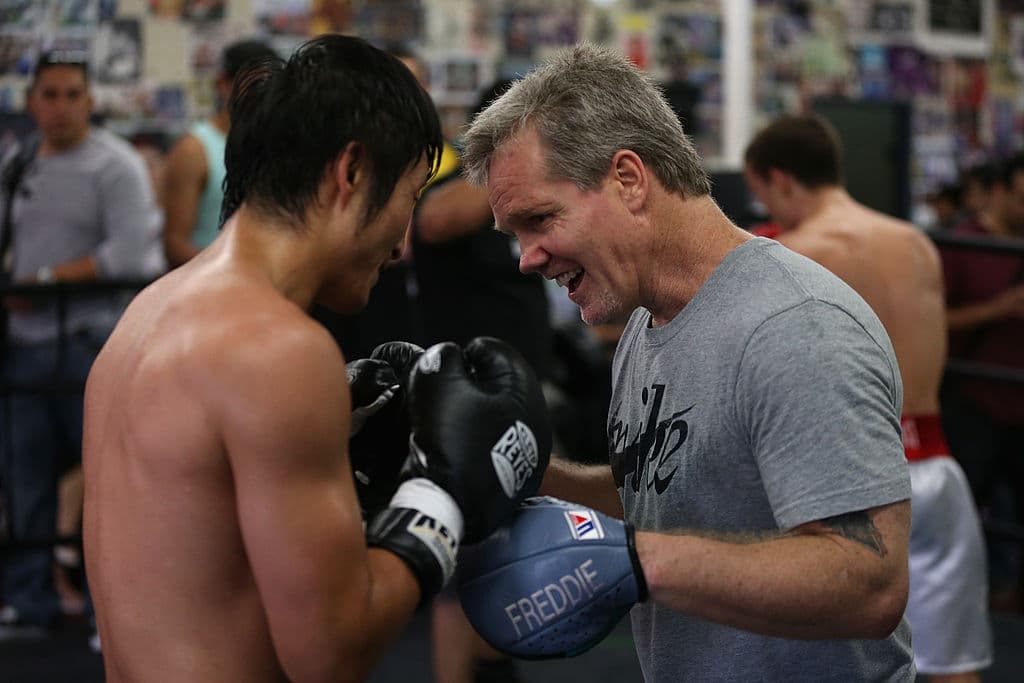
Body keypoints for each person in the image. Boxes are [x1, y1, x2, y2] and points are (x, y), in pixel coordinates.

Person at [82, 34, 551, 682]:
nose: (397, 244)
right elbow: (331, 649)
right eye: (406, 200)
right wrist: (442, 493)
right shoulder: (277, 351)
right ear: (351, 172)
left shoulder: (149, 314)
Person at [461, 44, 914, 681]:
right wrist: (517, 473)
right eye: (516, 235)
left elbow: (871, 581)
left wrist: (642, 563)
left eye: (540, 220)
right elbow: (663, 495)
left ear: (628, 179)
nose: (527, 258)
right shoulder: (648, 322)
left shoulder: (793, 326)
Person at [743, 113, 993, 682]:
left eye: (763, 196)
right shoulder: (916, 243)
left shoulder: (789, 253)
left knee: (834, 663)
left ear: (778, 179)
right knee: (953, 669)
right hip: (935, 468)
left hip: (850, 482)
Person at [0, 49, 164, 636]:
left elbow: (129, 256)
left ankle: (113, 614)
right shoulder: (20, 163)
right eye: (51, 94)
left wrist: (41, 284)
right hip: (24, 343)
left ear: (91, 101)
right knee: (25, 484)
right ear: (32, 101)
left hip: (90, 338)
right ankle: (27, 604)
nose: (62, 106)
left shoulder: (115, 165)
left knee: (110, 483)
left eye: (73, 94)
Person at [413, 79, 552, 683]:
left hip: (517, 390)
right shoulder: (456, 190)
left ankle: (497, 664)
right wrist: (496, 162)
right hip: (465, 396)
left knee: (504, 542)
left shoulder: (522, 201)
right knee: (466, 549)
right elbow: (433, 224)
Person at [941, 154, 1024, 613]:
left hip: (1017, 404)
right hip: (975, 406)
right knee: (964, 518)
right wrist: (1001, 309)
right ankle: (961, 608)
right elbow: (933, 322)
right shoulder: (961, 245)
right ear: (1000, 192)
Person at [161, 39, 276, 268]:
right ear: (224, 84)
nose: (263, 96)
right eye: (254, 86)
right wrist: (230, 272)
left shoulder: (276, 144)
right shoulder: (194, 150)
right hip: (211, 287)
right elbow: (174, 244)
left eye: (270, 87)